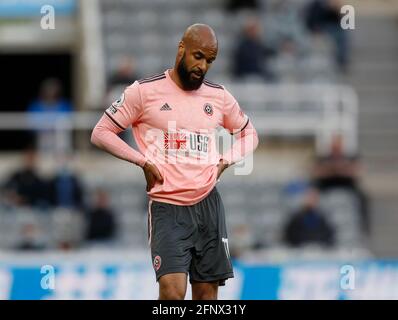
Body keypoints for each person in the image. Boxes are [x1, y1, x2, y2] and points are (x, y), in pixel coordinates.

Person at [91, 24, 259, 300]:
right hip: (167, 207)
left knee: (207, 296)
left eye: (209, 61)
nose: (202, 66)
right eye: (198, 56)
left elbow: (249, 134)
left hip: (208, 205)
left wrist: (225, 161)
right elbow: (101, 132)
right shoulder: (144, 92)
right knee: (172, 292)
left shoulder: (218, 96)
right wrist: (142, 161)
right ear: (182, 49)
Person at [312, 134, 370, 235]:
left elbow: (357, 171)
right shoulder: (323, 158)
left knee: (363, 197)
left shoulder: (350, 157)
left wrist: (340, 169)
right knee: (312, 195)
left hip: (346, 185)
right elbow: (317, 172)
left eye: (338, 146)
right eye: (334, 146)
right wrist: (333, 169)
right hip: (327, 186)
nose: (336, 148)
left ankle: (363, 226)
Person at [232, 17, 276, 81]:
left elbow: (269, 52)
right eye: (253, 30)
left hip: (259, 75)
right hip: (246, 76)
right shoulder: (242, 46)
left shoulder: (259, 44)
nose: (256, 32)